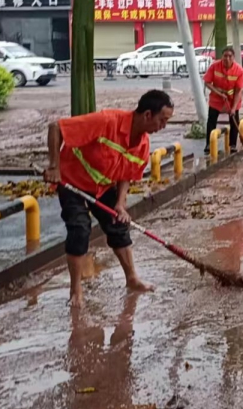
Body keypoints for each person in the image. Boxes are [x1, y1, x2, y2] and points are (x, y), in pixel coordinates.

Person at [44, 89, 175, 307]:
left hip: (101, 187)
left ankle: (132, 278)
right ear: (147, 115)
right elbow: (55, 128)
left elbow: (126, 176)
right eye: (163, 120)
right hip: (72, 181)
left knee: (118, 225)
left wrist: (120, 205)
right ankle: (75, 290)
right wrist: (53, 166)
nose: (164, 126)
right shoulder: (107, 121)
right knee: (80, 228)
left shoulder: (143, 145)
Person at [203, 45, 243, 153]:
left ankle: (233, 145)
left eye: (230, 56)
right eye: (225, 56)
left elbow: (238, 91)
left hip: (232, 99)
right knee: (211, 121)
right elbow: (207, 82)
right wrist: (219, 93)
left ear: (233, 57)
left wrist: (233, 108)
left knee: (234, 120)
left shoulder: (239, 70)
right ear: (222, 56)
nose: (227, 58)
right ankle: (209, 144)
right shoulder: (214, 66)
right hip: (216, 99)